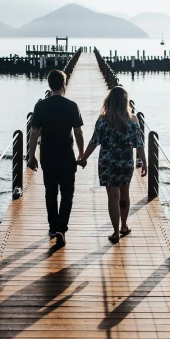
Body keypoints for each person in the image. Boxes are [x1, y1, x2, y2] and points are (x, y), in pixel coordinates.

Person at [78, 86, 147, 243]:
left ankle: (115, 232)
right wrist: (144, 161)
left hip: (108, 162)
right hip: (126, 162)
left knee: (113, 197)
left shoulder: (103, 120)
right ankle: (124, 225)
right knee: (124, 194)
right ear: (125, 102)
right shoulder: (133, 120)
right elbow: (139, 143)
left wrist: (83, 158)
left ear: (109, 101)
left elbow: (94, 142)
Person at [27, 69, 84, 245]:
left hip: (47, 155)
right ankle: (61, 228)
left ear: (49, 85)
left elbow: (34, 133)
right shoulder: (72, 106)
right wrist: (81, 154)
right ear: (63, 84)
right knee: (67, 194)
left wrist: (31, 157)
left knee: (50, 193)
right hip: (66, 155)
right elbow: (78, 132)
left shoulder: (40, 106)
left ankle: (53, 227)